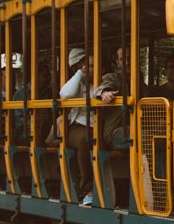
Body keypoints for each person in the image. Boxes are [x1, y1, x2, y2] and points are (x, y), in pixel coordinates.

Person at [60, 48, 117, 206]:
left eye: (92, 66)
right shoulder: (79, 84)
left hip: (98, 128)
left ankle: (104, 189)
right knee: (87, 139)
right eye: (87, 65)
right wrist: (80, 73)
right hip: (77, 127)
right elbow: (65, 94)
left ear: (102, 69)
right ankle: (87, 189)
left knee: (96, 139)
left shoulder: (105, 84)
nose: (88, 68)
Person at [12, 61, 52, 145]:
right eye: (45, 76)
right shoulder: (21, 94)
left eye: (49, 76)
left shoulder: (50, 92)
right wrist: (38, 125)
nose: (49, 78)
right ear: (36, 76)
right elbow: (21, 119)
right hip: (25, 132)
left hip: (47, 130)